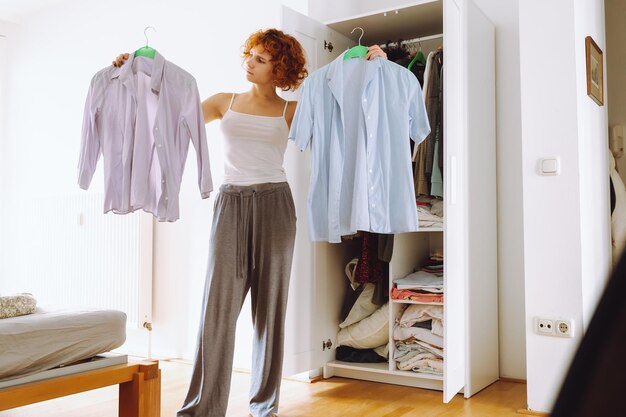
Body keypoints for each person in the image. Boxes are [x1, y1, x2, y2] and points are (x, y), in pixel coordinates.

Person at [113, 28, 387, 417]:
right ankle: (202, 408)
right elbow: (171, 116)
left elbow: (347, 116)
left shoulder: (291, 110)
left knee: (269, 310)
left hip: (275, 204)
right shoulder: (225, 101)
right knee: (217, 308)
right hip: (230, 203)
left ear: (280, 68)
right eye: (250, 55)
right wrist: (133, 73)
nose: (250, 62)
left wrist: (373, 68)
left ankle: (264, 407)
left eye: (260, 59)